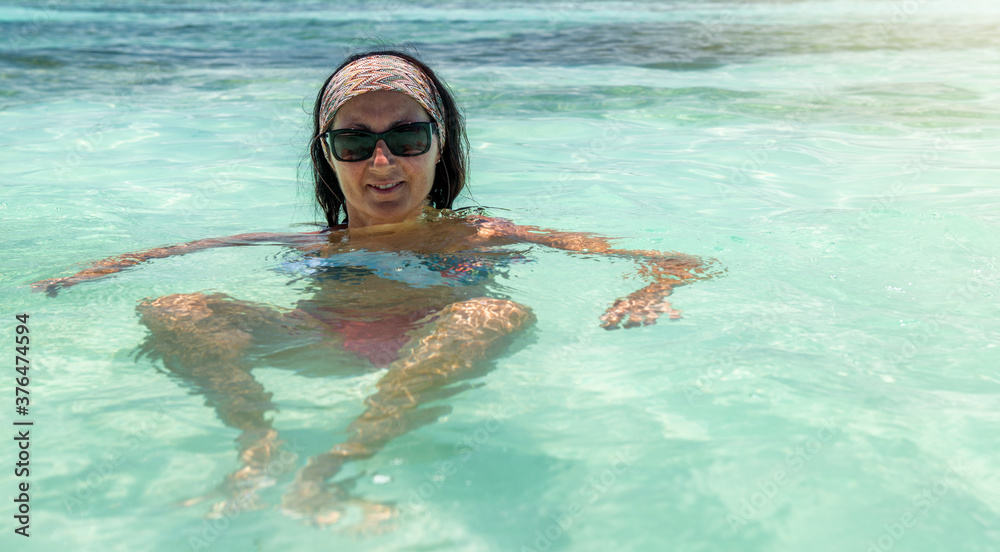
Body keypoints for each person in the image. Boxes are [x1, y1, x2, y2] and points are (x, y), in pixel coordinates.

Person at [32, 50, 714, 527]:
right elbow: (187, 251)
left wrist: (646, 291)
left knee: (492, 312)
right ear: (327, 155)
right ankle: (256, 442)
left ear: (440, 145)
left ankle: (338, 460)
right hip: (320, 340)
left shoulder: (480, 234)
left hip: (435, 348)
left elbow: (678, 259)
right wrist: (93, 271)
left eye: (406, 137)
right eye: (355, 143)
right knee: (172, 308)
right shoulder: (318, 242)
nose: (382, 162)